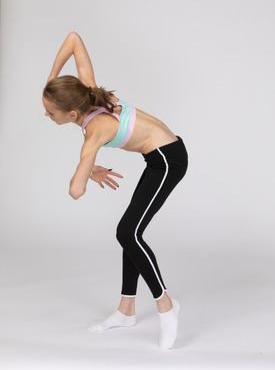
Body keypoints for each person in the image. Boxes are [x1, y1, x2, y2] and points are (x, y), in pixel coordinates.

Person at [42, 32, 188, 350]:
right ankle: (126, 310)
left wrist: (84, 170)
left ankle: (166, 305)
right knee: (130, 232)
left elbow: (76, 189)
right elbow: (74, 40)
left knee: (128, 232)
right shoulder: (87, 92)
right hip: (157, 157)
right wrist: (52, 81)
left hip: (168, 159)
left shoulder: (95, 127)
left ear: (70, 114)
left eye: (50, 112)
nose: (46, 115)